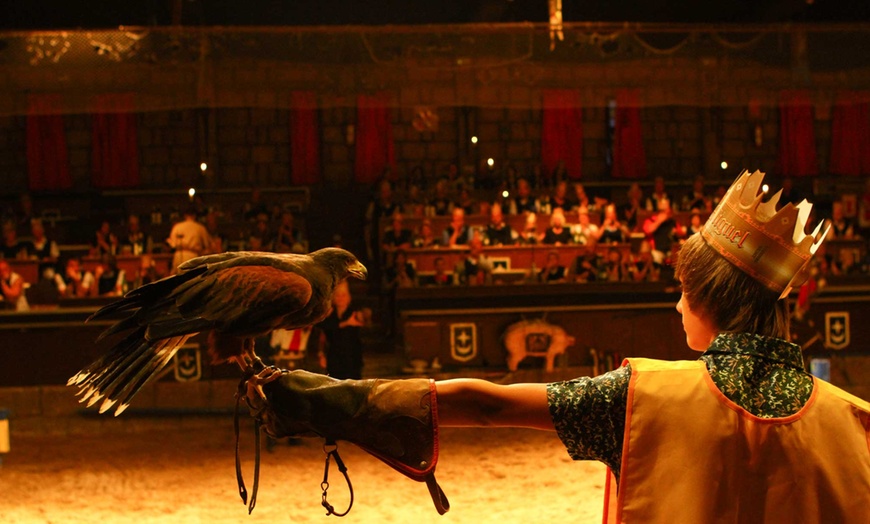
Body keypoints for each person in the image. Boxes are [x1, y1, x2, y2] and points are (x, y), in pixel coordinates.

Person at [243, 170, 869, 522]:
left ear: (704, 297)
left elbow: (487, 404)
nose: (677, 305)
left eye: (681, 291)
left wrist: (335, 400)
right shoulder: (854, 419)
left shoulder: (642, 398)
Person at [316, 281, 366, 380]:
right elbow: (323, 334)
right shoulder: (329, 315)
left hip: (352, 358)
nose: (341, 298)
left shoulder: (355, 313)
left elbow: (364, 321)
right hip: (334, 358)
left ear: (349, 297)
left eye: (344, 295)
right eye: (337, 295)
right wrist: (321, 354)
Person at [167, 207, 212, 274]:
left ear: (185, 215)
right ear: (195, 216)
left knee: (177, 279)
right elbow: (207, 245)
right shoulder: (199, 227)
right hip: (193, 256)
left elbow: (172, 244)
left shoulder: (177, 226)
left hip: (178, 256)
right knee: (191, 278)